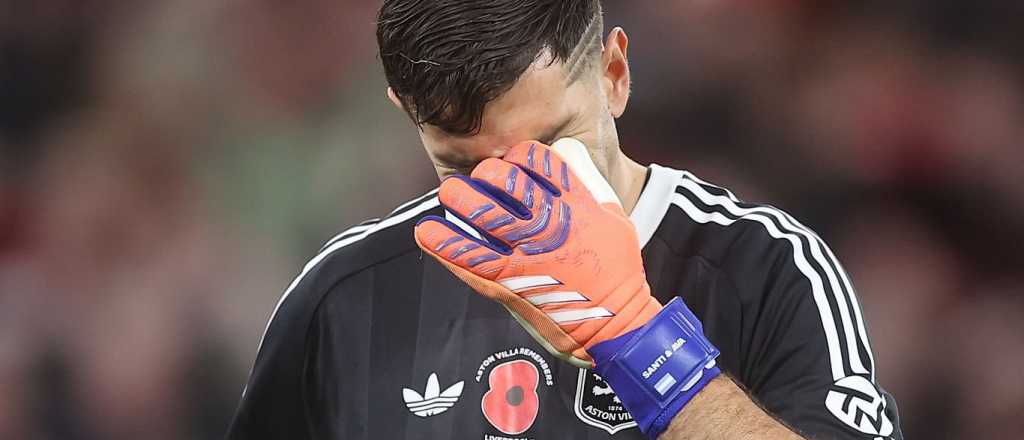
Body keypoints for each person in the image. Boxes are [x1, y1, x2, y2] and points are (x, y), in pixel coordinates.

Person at [226, 1, 902, 438]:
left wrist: (641, 341)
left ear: (613, 74)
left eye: (550, 148)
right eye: (466, 167)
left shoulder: (767, 267)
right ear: (407, 114)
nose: (520, 195)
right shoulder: (344, 296)